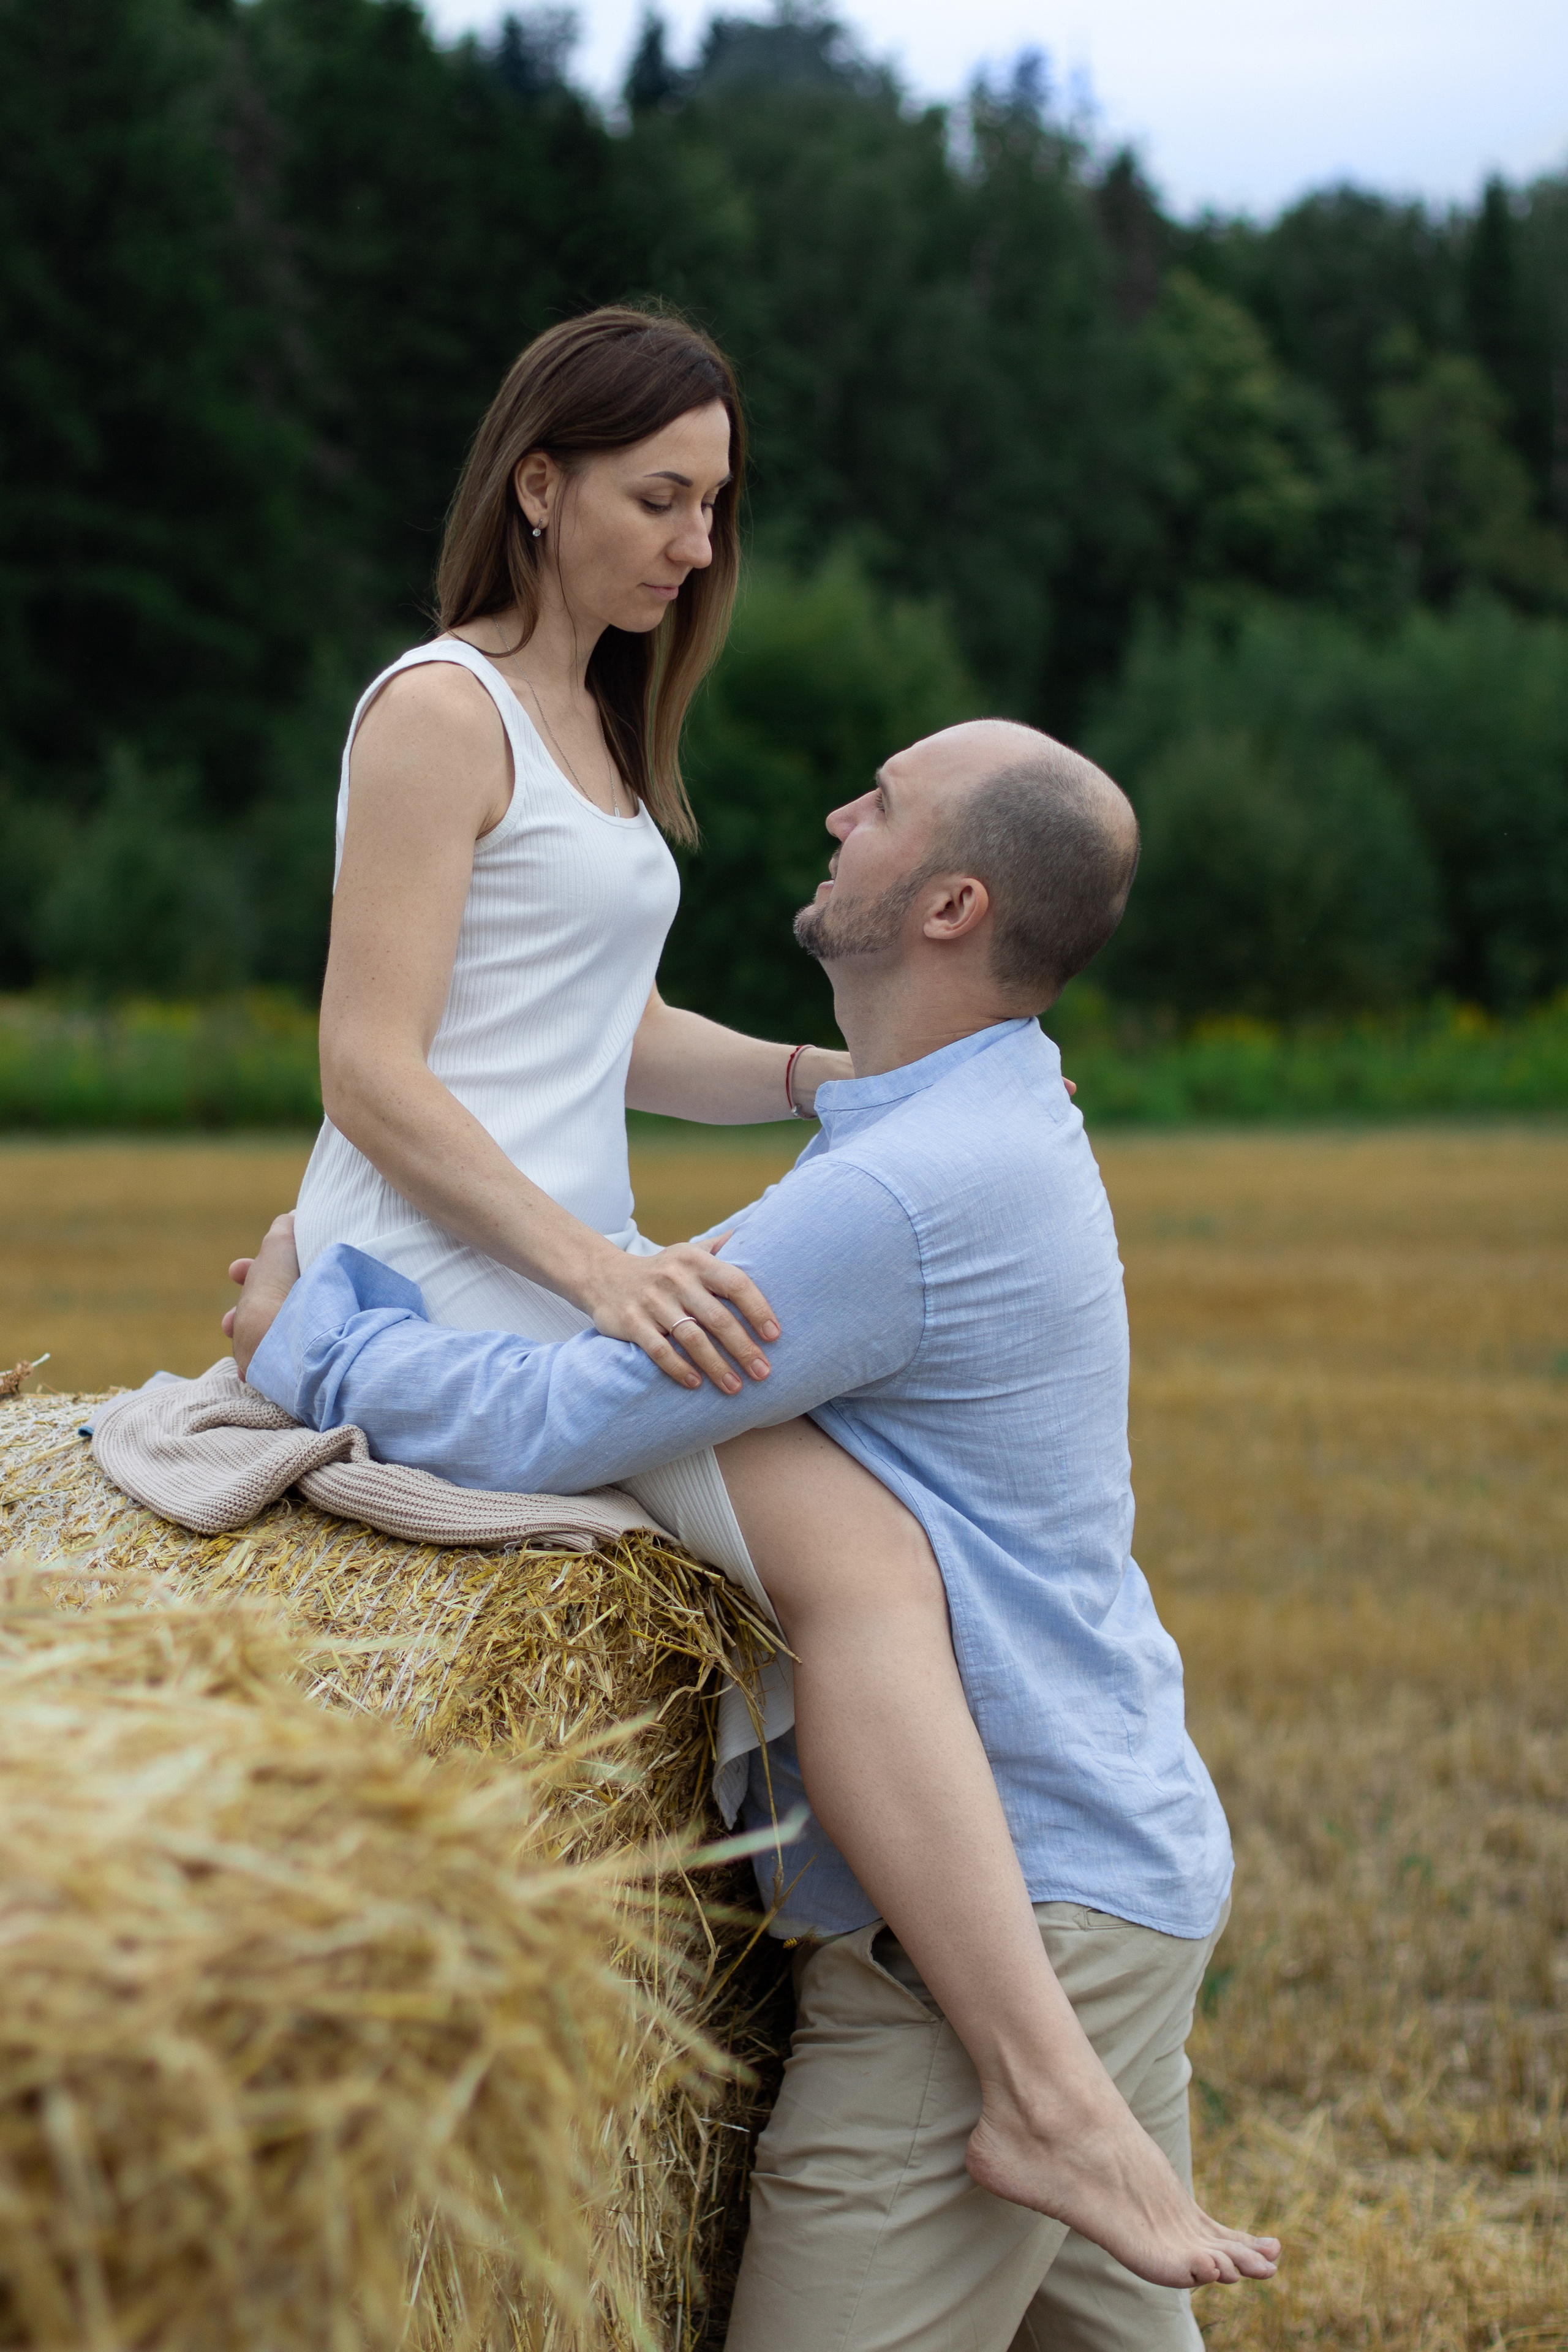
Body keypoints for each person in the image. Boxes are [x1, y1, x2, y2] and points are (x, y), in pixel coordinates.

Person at [264, 295, 1233, 2293]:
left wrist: (829, 1085)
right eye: (661, 496)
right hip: (454, 1260)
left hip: (565, 1259)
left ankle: (1025, 2059)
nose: (698, 542)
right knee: (865, 1562)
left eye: (715, 504)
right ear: (540, 486)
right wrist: (594, 1268)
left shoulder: (599, 728)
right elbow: (372, 1062)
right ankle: (1038, 2075)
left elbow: (591, 1029)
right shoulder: (439, 709)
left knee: (863, 1554)